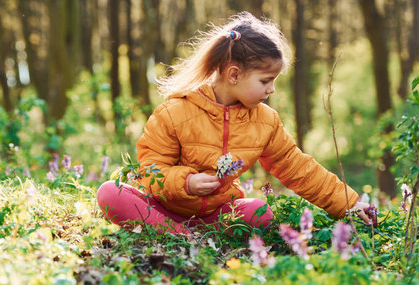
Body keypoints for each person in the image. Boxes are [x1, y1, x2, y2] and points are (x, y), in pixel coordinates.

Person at [97, 12, 372, 234]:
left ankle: (187, 233)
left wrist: (349, 204)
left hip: (219, 215)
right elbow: (150, 169)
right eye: (266, 81)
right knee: (110, 193)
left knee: (259, 211)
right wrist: (187, 183)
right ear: (234, 74)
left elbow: (298, 168)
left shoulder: (265, 121)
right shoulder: (174, 112)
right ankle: (176, 231)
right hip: (162, 209)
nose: (271, 90)